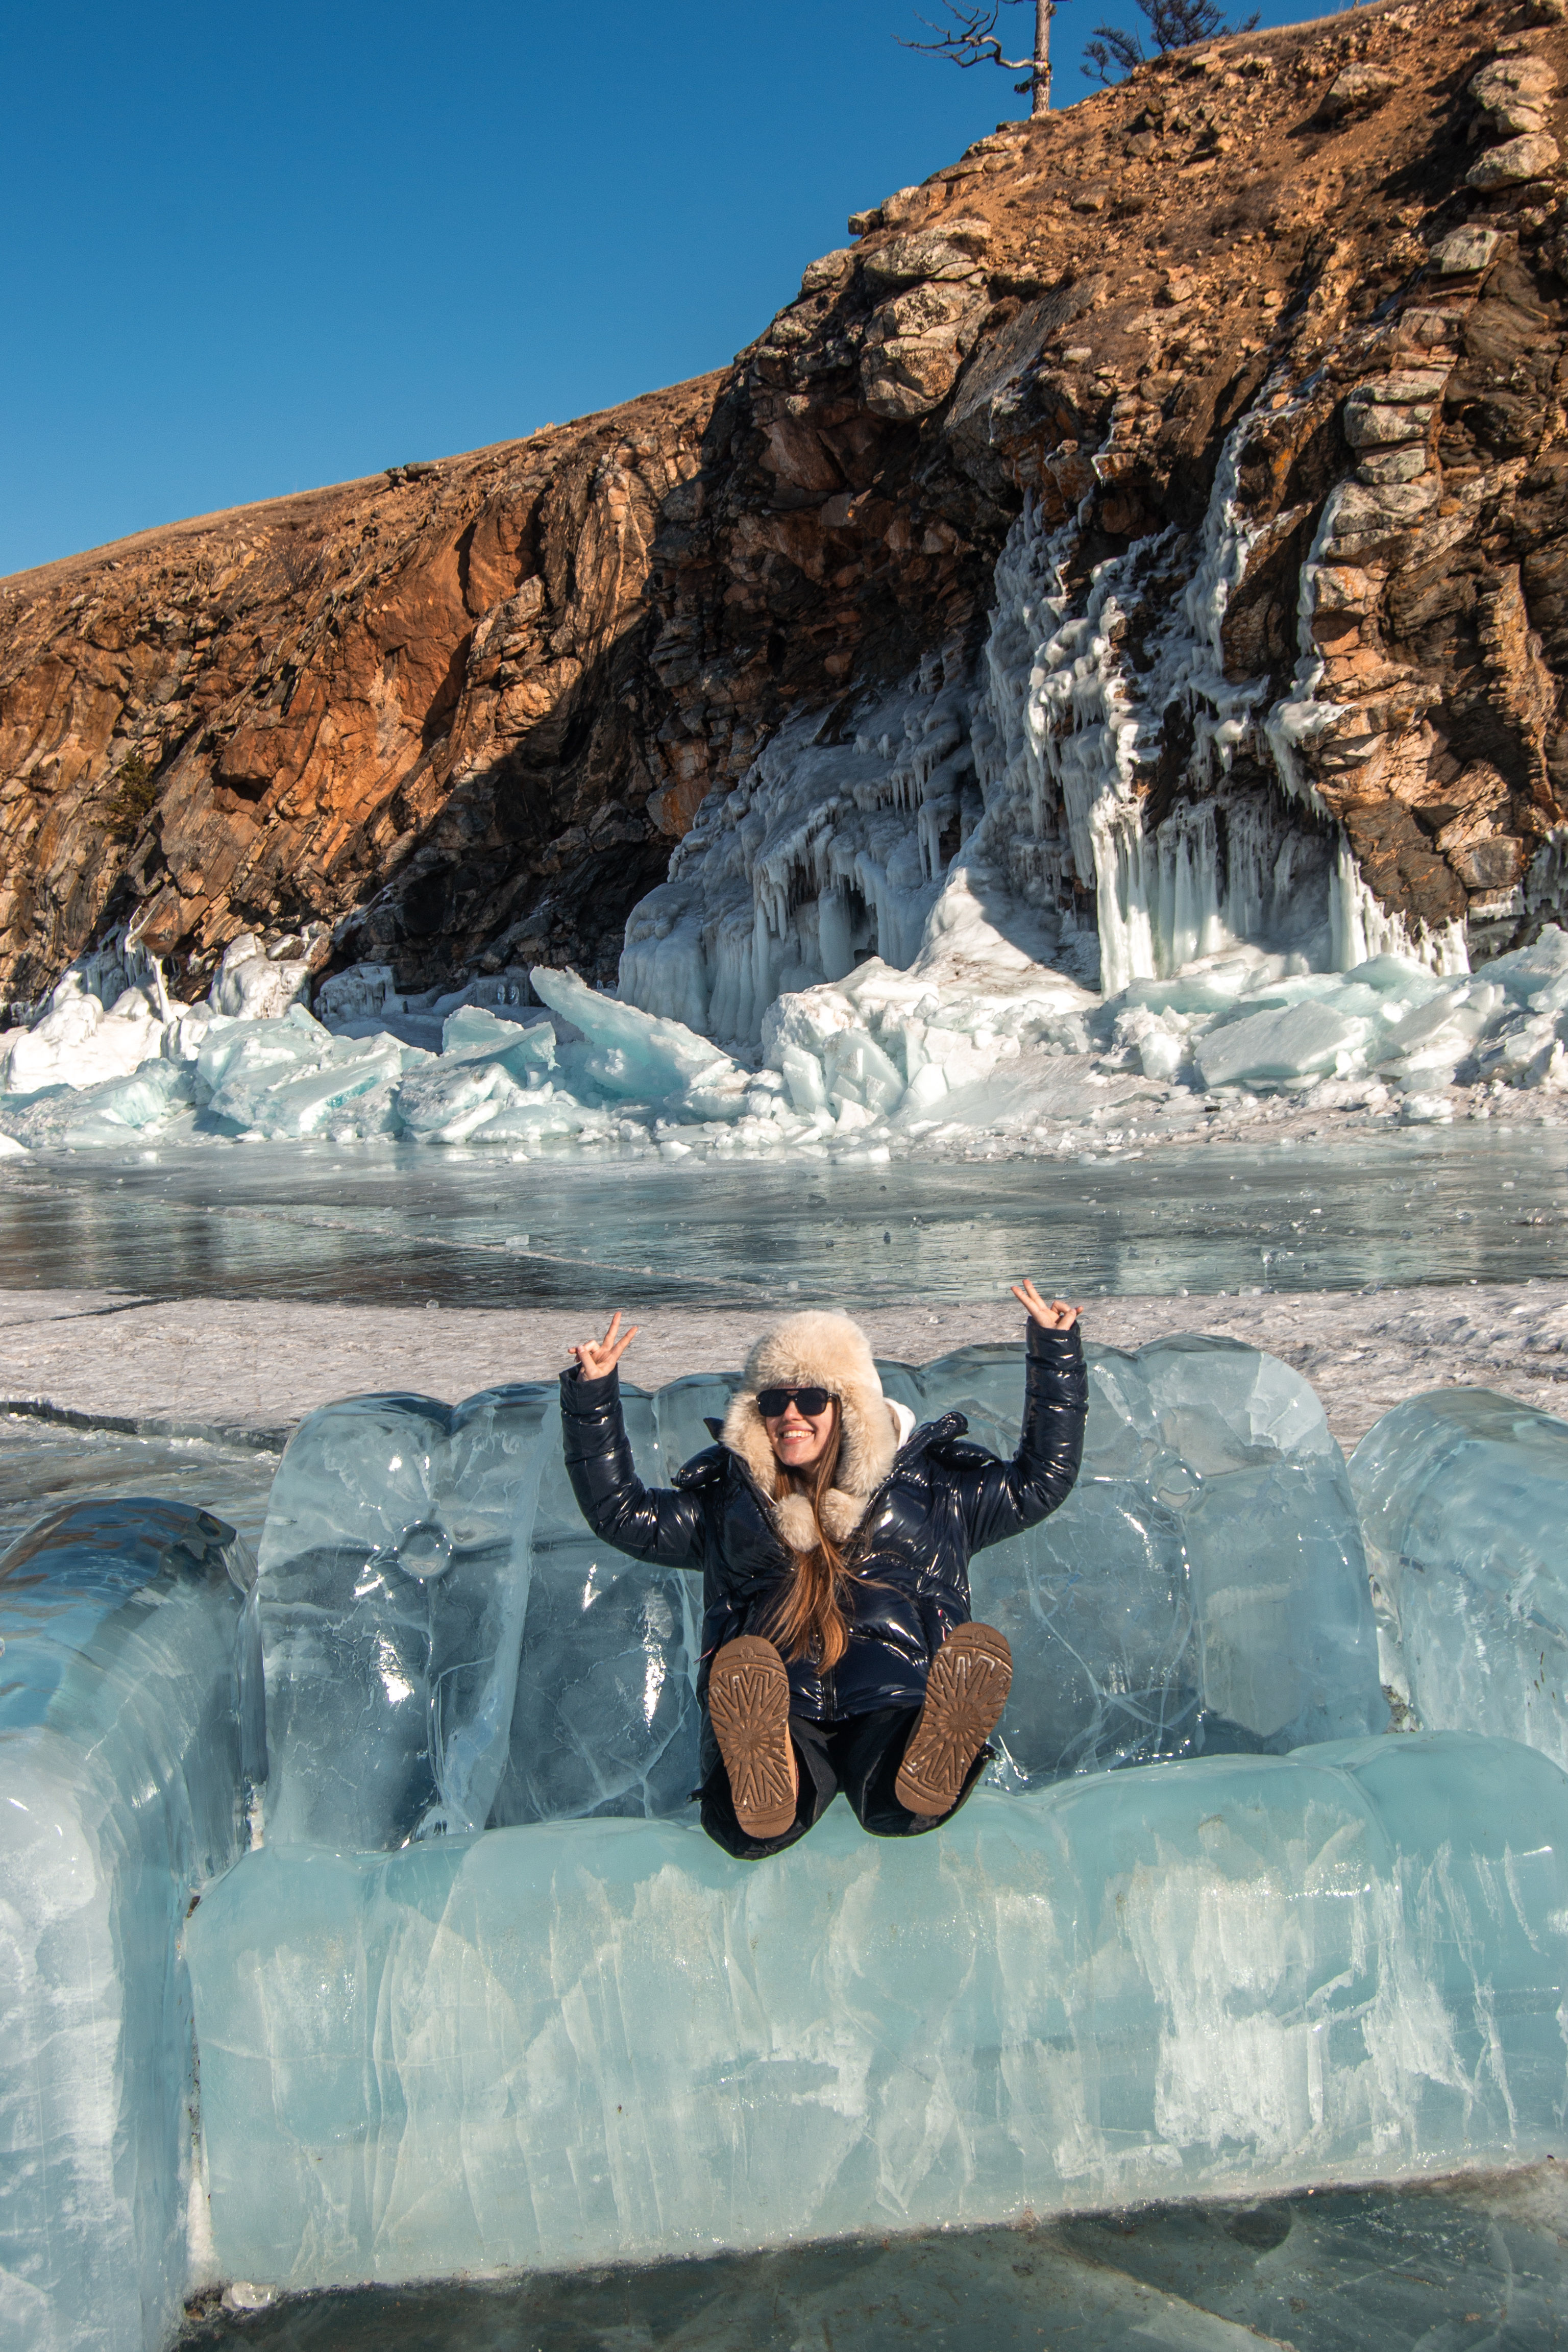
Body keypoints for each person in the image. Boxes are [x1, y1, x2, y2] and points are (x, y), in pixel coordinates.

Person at [560, 1282, 1087, 1860]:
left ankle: (937, 1740)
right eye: (773, 1401)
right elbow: (624, 1515)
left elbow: (1039, 1481)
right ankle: (768, 1761)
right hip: (776, 1700)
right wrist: (594, 1395)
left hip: (897, 1692)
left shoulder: (934, 1490)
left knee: (899, 1800)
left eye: (811, 1399)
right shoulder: (729, 1502)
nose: (790, 1415)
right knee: (758, 1822)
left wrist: (1054, 1348)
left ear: (849, 1406)